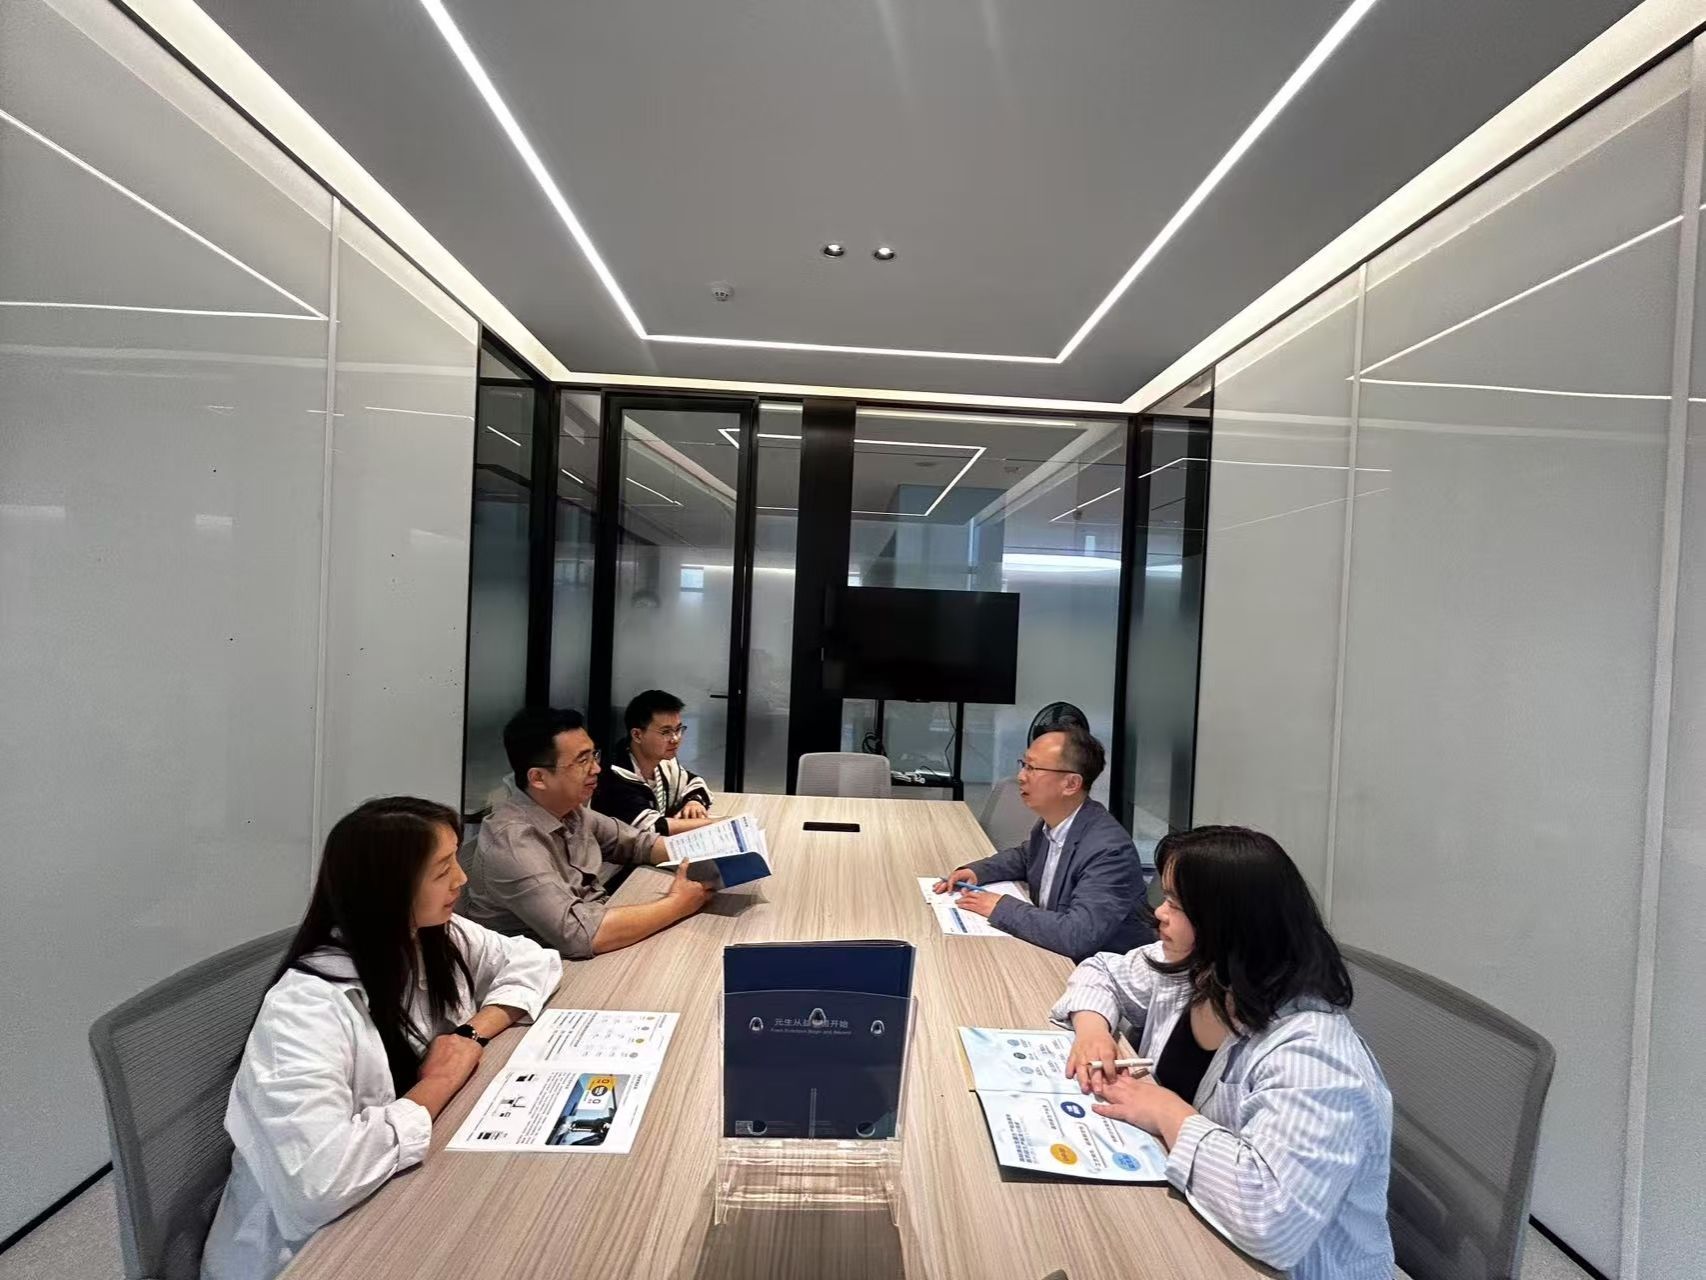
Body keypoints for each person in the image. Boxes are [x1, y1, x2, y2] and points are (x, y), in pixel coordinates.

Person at [201, 797, 562, 1280]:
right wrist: (439, 1081)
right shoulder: (303, 1009)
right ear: (389, 889)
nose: (461, 879)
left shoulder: (430, 934)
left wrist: (471, 1033)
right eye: (442, 870)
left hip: (401, 1185)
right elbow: (319, 1183)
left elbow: (532, 960)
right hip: (308, 1252)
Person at [1050, 826, 1394, 1280]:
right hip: (1192, 1218)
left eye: (1176, 904)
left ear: (1229, 922)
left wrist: (1167, 1112)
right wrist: (1094, 1029)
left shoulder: (1315, 1057)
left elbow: (1272, 1221)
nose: (1159, 914)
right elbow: (1102, 971)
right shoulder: (1199, 970)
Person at [458, 706, 714, 958]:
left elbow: (639, 844)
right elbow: (580, 935)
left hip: (591, 938)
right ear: (538, 778)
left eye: (594, 756)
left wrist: (713, 852)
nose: (596, 769)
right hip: (548, 966)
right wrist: (678, 903)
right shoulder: (513, 842)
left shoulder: (569, 810)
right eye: (582, 761)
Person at [931, 724, 1150, 960]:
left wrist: (1000, 907)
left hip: (1098, 971)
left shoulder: (1109, 851)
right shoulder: (1056, 822)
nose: (1021, 776)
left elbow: (1078, 935)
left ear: (1071, 784)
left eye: (1032, 768)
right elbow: (1026, 857)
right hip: (1051, 955)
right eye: (1023, 764)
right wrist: (977, 871)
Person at [592, 689, 719, 835]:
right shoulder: (614, 775)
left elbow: (694, 782)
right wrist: (715, 823)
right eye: (666, 732)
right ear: (637, 735)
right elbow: (652, 828)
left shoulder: (664, 762)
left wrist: (694, 802)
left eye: (678, 729)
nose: (675, 739)